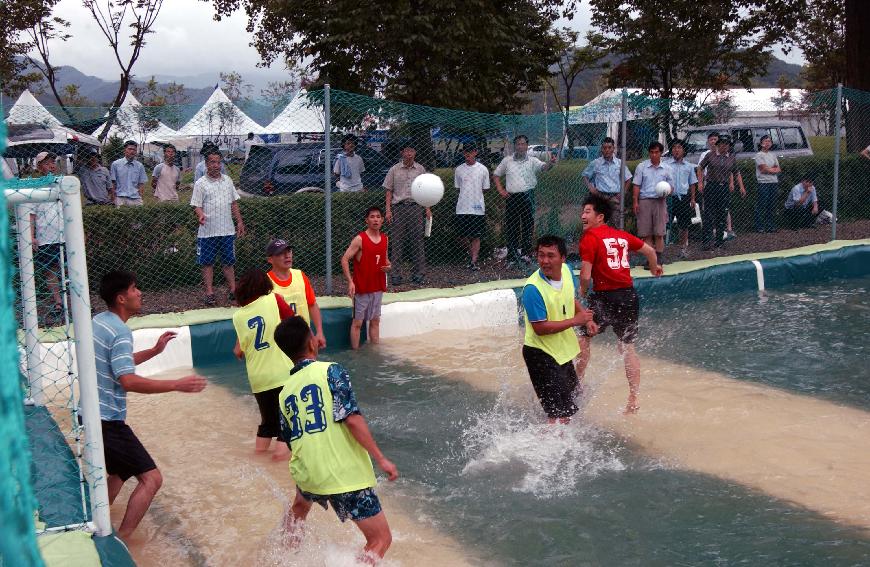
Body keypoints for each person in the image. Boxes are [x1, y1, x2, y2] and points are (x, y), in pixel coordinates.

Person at [274, 315, 398, 563]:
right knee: (380, 539)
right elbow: (351, 419)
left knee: (300, 506)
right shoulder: (332, 370)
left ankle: (282, 557)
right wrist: (381, 459)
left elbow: (291, 440)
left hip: (308, 473)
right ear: (312, 343)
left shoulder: (284, 391)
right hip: (343, 476)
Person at [94, 270, 207, 539]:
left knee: (120, 472)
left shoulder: (100, 321)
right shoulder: (120, 331)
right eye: (134, 289)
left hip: (91, 415)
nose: (139, 293)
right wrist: (175, 385)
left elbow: (119, 361)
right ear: (122, 298)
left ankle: (94, 519)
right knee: (152, 479)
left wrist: (155, 351)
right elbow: (128, 381)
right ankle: (124, 541)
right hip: (108, 420)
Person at [576, 194, 662, 414]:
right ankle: (633, 398)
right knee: (627, 347)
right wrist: (654, 268)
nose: (583, 215)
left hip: (604, 298)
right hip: (629, 297)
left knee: (583, 339)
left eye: (587, 211)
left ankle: (576, 385)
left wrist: (583, 291)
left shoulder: (590, 237)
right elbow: (650, 251)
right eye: (583, 211)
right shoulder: (621, 236)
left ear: (600, 216)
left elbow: (585, 274)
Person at [521, 235, 594, 424]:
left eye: (551, 256)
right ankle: (542, 449)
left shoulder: (568, 272)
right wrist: (575, 320)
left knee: (572, 402)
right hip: (540, 354)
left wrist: (585, 318)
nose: (545, 261)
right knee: (557, 416)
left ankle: (561, 443)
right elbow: (540, 328)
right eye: (541, 255)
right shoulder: (532, 289)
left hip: (559, 351)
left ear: (563, 258)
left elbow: (569, 297)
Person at [231, 268, 295, 461]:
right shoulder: (274, 300)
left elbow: (238, 351)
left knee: (268, 424)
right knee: (287, 425)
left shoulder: (238, 316)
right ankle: (276, 463)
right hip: (281, 373)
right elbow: (293, 323)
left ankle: (258, 460)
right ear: (264, 286)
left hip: (258, 379)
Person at [191, 148, 247, 305]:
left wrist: (240, 221)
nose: (216, 165)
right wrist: (200, 214)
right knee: (207, 263)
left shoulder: (227, 181)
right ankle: (209, 293)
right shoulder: (200, 183)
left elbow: (234, 203)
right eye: (212, 162)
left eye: (218, 162)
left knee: (228, 262)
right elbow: (196, 205)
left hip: (227, 230)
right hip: (207, 231)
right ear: (206, 164)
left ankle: (233, 290)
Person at [493, 135, 556, 266]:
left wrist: (551, 163)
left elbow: (544, 168)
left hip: (528, 196)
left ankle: (526, 254)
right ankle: (512, 256)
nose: (520, 146)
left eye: (523, 144)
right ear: (514, 146)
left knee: (528, 226)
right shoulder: (507, 161)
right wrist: (501, 190)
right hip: (512, 197)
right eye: (518, 144)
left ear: (527, 146)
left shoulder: (533, 161)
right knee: (512, 227)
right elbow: (496, 175)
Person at [340, 207, 391, 350]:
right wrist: (350, 282)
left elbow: (386, 260)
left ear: (382, 220)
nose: (375, 219)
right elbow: (344, 259)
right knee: (357, 323)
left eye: (378, 217)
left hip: (378, 287)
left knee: (375, 321)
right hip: (362, 287)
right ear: (367, 220)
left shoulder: (385, 239)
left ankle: (375, 353)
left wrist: (388, 267)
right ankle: (355, 355)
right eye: (372, 217)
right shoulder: (360, 239)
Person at [265, 239, 327, 348]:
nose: (287, 255)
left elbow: (312, 305)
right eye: (280, 253)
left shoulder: (300, 276)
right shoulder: (265, 283)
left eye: (289, 251)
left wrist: (319, 332)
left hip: (304, 341)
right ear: (270, 259)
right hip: (280, 344)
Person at [383, 143, 429, 285]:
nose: (409, 153)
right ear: (402, 152)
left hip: (416, 208)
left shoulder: (420, 169)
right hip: (398, 208)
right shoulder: (394, 170)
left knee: (417, 241)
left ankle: (419, 273)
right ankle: (396, 275)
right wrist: (388, 210)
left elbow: (426, 190)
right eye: (407, 151)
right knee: (397, 242)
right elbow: (388, 190)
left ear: (415, 153)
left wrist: (427, 208)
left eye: (412, 150)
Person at [29, 152, 65, 321]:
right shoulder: (34, 187)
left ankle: (74, 302)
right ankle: (58, 303)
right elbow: (31, 214)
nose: (51, 165)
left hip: (65, 236)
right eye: (46, 163)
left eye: (52, 162)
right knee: (51, 271)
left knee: (70, 269)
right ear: (39, 167)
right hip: (46, 237)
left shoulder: (62, 184)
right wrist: (32, 237)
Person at [632, 141, 674, 268]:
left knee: (659, 232)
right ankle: (650, 259)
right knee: (646, 233)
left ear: (661, 153)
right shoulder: (642, 167)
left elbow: (671, 187)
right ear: (649, 153)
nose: (654, 155)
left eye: (657, 152)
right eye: (651, 152)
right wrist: (635, 201)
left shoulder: (667, 168)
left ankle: (659, 258)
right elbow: (637, 185)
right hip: (645, 200)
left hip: (660, 201)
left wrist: (667, 192)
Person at [698, 135, 742, 250]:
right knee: (708, 214)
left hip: (724, 188)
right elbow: (700, 167)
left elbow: (736, 172)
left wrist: (741, 186)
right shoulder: (710, 155)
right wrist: (700, 182)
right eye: (722, 143)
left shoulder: (731, 157)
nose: (724, 146)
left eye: (726, 144)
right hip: (712, 186)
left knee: (722, 214)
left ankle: (719, 241)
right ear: (718, 145)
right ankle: (706, 242)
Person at [453, 142, 490, 269]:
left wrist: (475, 197)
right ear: (463, 153)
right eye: (465, 151)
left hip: (477, 208)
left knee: (476, 235)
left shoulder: (483, 169)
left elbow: (485, 189)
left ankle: (473, 261)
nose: (468, 154)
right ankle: (470, 254)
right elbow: (458, 188)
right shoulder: (458, 170)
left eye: (471, 151)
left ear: (476, 152)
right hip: (462, 207)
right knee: (461, 236)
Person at [664, 139, 698, 258]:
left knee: (684, 225)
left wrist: (692, 199)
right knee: (664, 223)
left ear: (684, 150)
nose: (676, 150)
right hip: (669, 199)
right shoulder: (666, 165)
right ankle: (661, 249)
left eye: (679, 147)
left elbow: (692, 183)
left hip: (683, 198)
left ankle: (683, 248)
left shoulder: (688, 166)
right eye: (674, 148)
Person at [581, 136, 632, 213]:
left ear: (613, 148)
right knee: (600, 221)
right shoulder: (596, 163)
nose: (607, 150)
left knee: (615, 221)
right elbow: (585, 175)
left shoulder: (620, 163)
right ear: (601, 149)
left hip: (616, 196)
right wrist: (591, 188)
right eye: (604, 148)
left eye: (609, 147)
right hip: (600, 197)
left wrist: (623, 193)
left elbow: (628, 179)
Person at [753, 134, 781, 233]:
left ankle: (770, 226)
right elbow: (763, 169)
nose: (767, 143)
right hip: (763, 183)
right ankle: (759, 227)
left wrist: (770, 169)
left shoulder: (773, 155)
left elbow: (778, 169)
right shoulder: (759, 155)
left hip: (774, 182)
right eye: (765, 141)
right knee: (762, 205)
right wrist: (772, 169)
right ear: (761, 143)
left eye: (769, 141)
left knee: (771, 205)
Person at [109, 140, 148, 206]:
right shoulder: (116, 164)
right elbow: (113, 183)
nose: (132, 151)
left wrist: (140, 197)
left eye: (134, 150)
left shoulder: (140, 166)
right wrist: (113, 198)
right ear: (124, 150)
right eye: (130, 149)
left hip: (135, 198)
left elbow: (141, 184)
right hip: (120, 198)